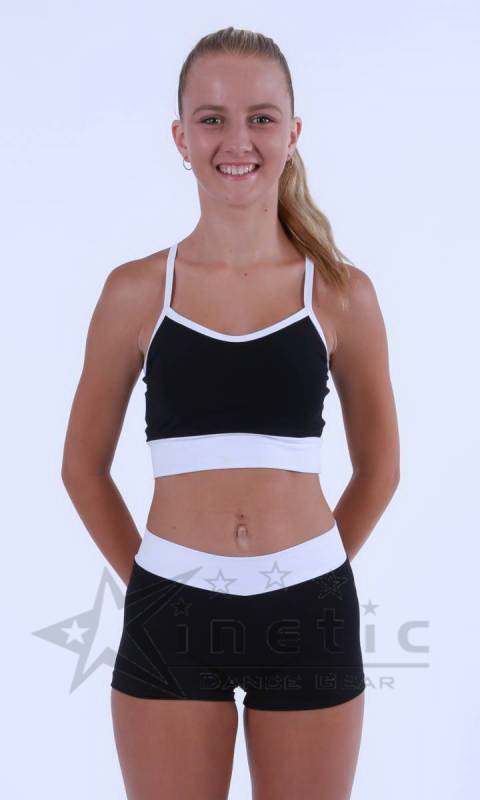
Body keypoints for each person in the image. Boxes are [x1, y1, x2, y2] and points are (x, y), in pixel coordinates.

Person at [61, 26, 400, 800]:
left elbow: (381, 469)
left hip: (309, 615)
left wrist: (308, 578)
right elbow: (82, 468)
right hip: (170, 616)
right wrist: (159, 584)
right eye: (211, 118)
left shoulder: (340, 293)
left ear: (293, 132)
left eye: (261, 117)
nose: (237, 140)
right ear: (180, 137)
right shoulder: (136, 292)